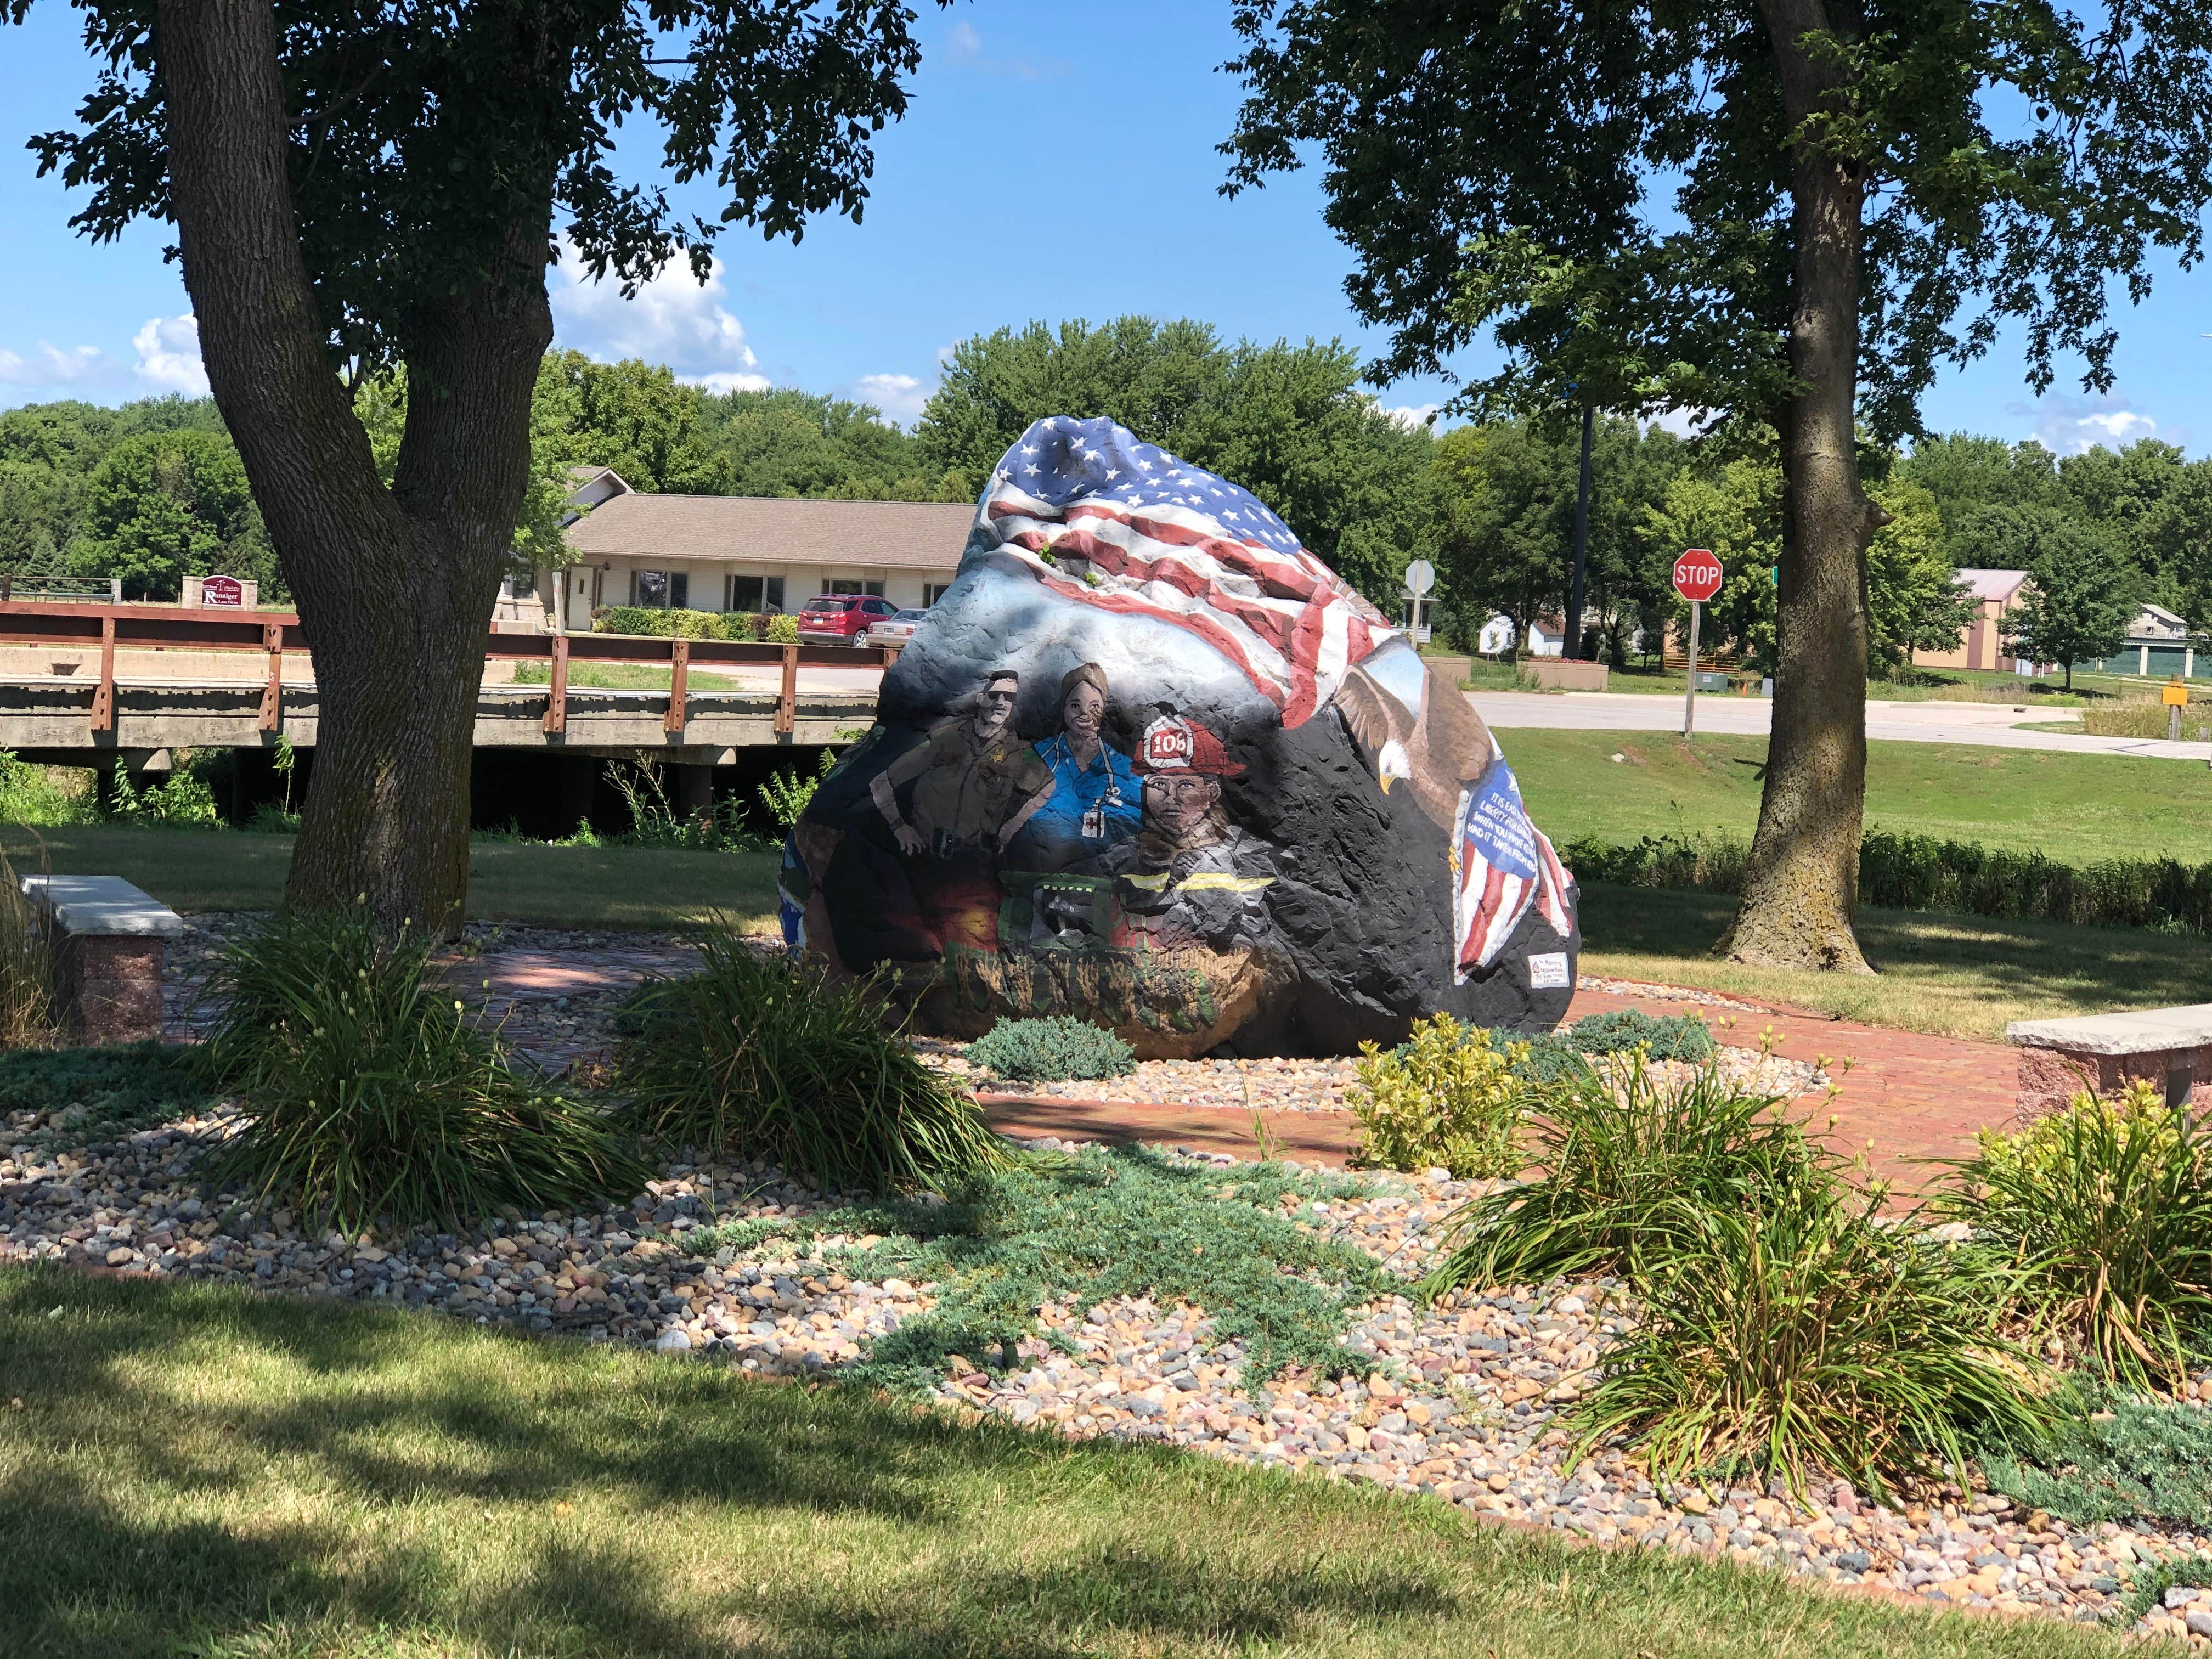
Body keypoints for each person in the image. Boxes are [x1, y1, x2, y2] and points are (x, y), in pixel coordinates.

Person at [1056, 710, 1276, 953]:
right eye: (1160, 785)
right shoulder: (1124, 858)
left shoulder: (1252, 858)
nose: (1171, 798)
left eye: (1186, 785)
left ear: (1212, 793)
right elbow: (1060, 896)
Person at [870, 668, 1055, 858]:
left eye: (1009, 697)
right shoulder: (946, 739)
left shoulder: (1017, 751)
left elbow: (1048, 786)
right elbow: (880, 784)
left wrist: (1007, 832)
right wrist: (899, 827)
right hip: (924, 854)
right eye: (994, 695)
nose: (1001, 702)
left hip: (974, 861)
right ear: (981, 698)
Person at [1006, 663, 1141, 872]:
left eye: (1094, 707)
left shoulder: (1121, 767)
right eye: (1075, 706)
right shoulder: (1039, 756)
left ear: (1104, 708)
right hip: (1037, 869)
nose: (1085, 715)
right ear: (1064, 708)